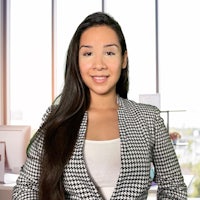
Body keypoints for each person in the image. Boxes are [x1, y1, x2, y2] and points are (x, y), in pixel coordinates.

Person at [12, 12, 187, 200]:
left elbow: (174, 189)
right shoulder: (57, 117)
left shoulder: (148, 119)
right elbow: (25, 189)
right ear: (77, 61)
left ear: (124, 59)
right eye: (88, 53)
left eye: (109, 53)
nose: (99, 64)